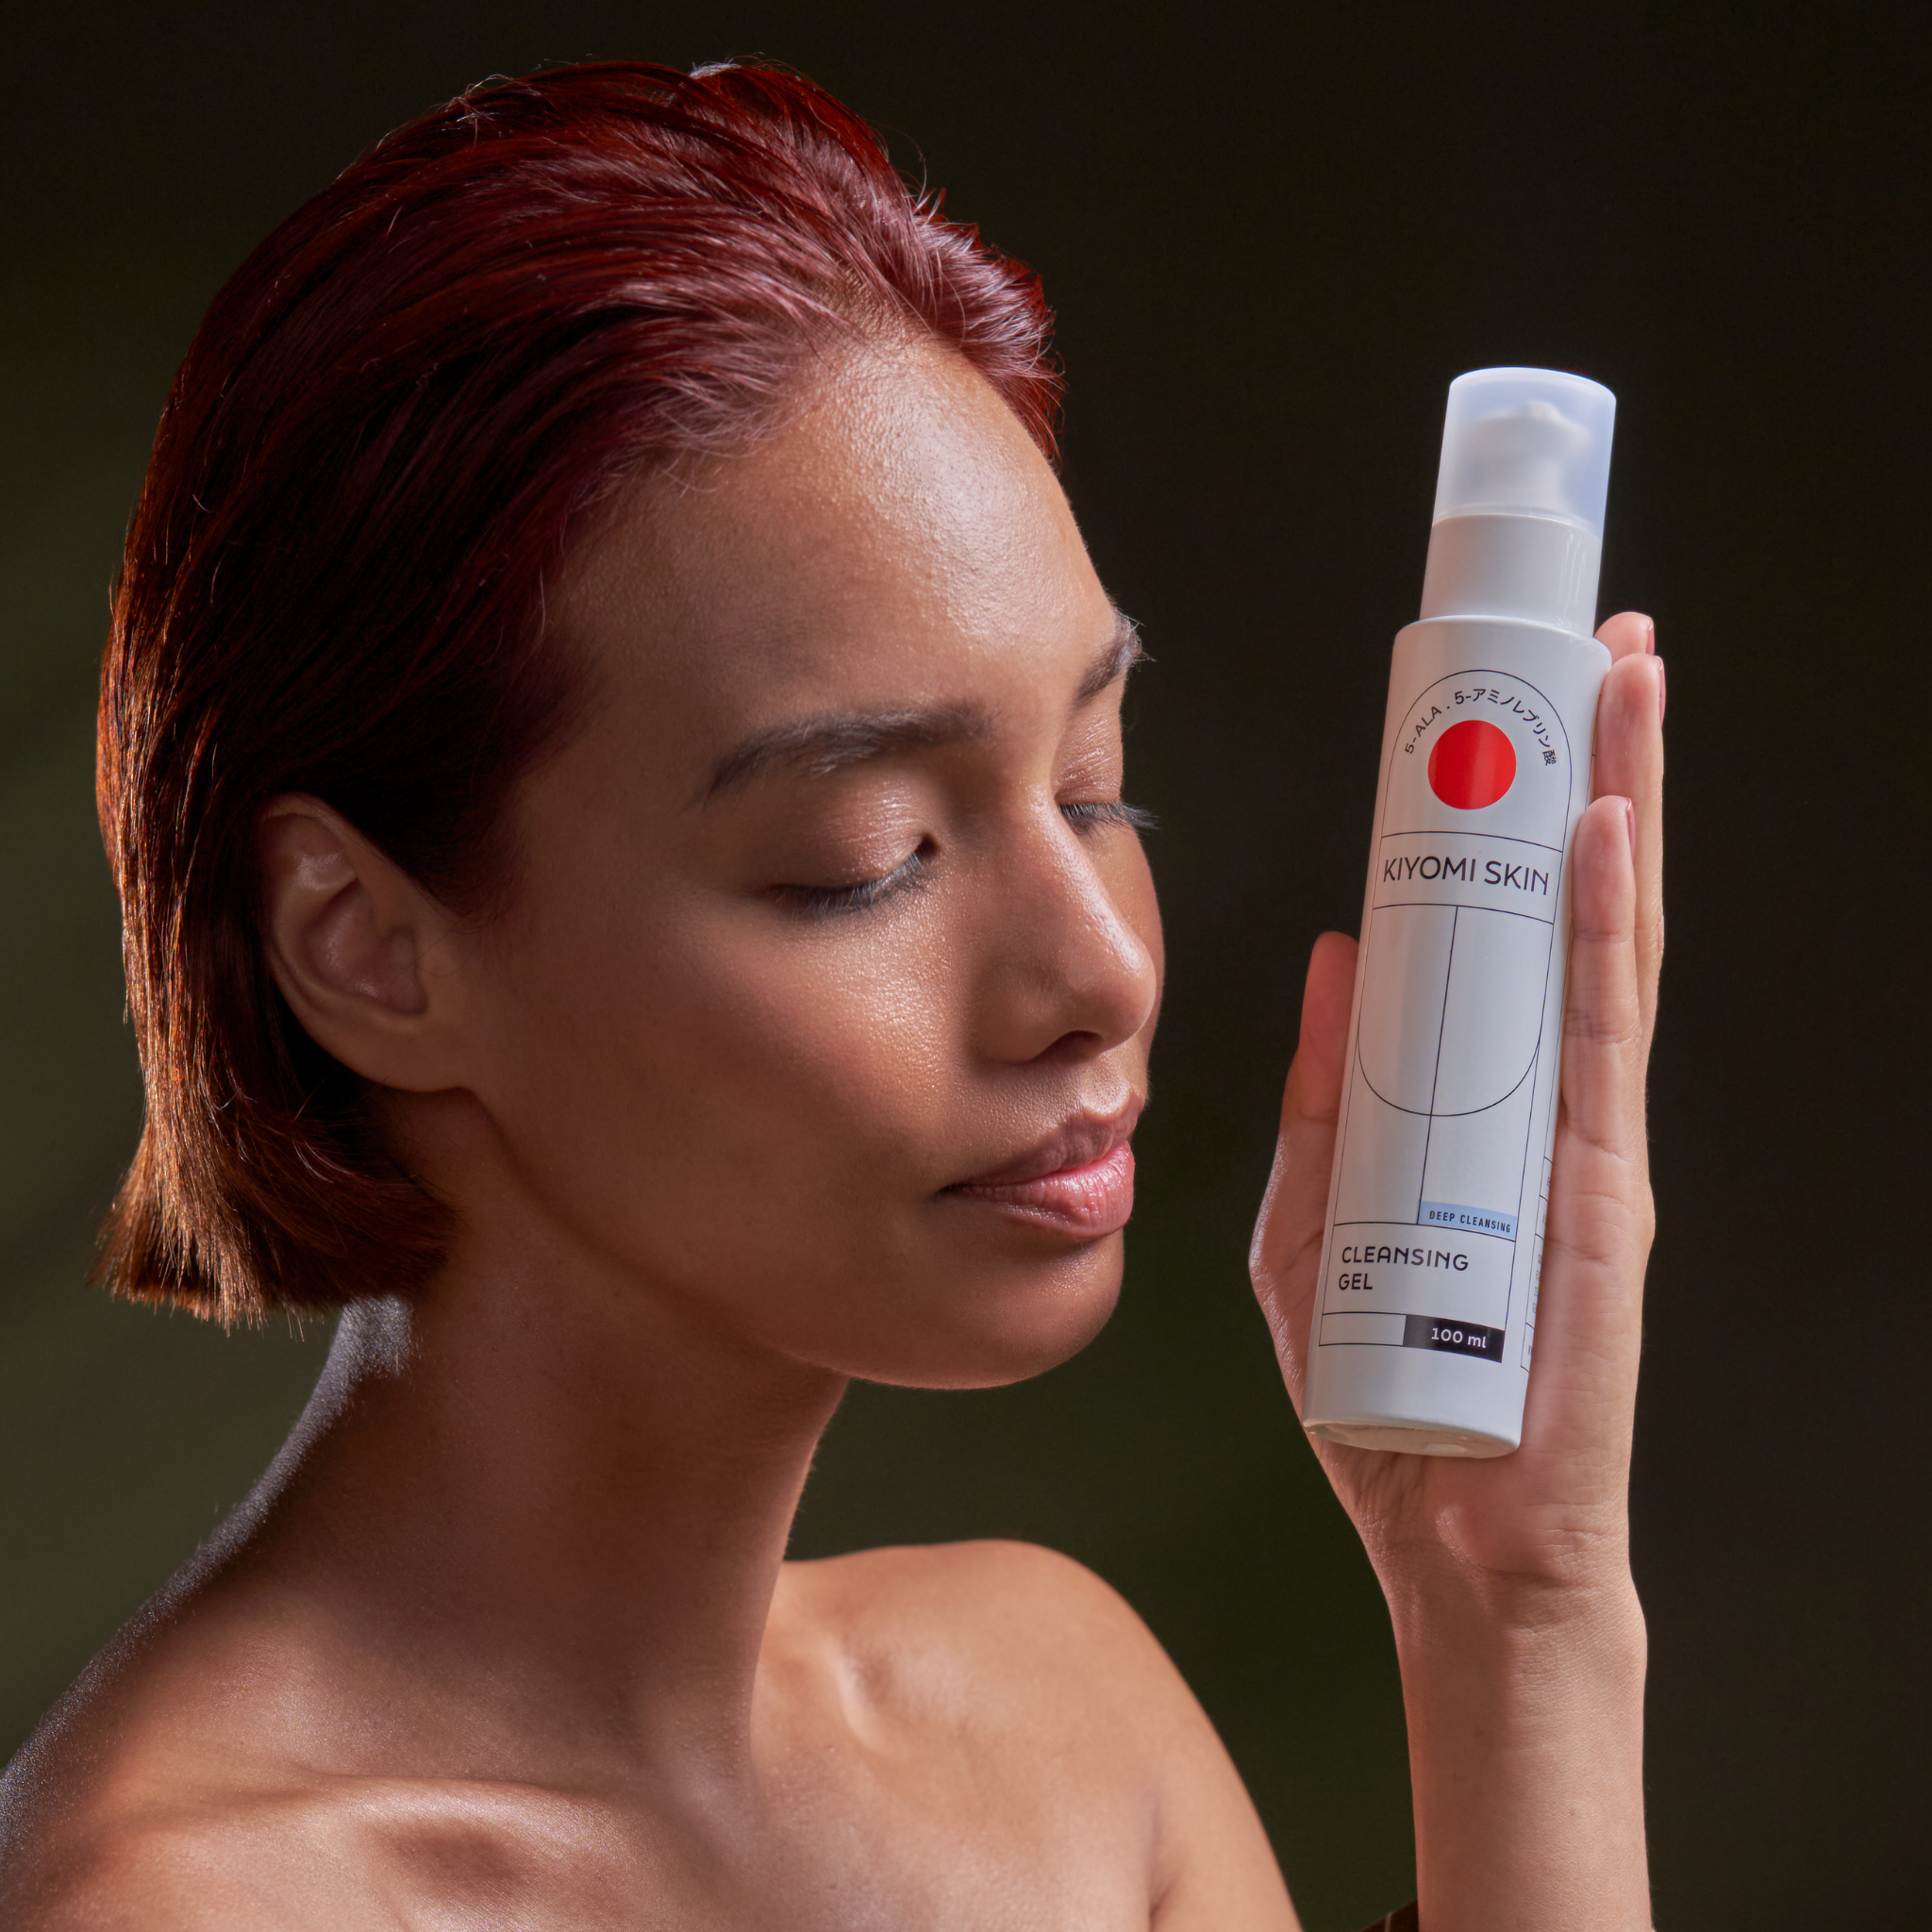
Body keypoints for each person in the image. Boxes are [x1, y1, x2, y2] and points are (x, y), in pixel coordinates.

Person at [0, 61, 1665, 1931]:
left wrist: (1514, 1616)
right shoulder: (186, 1903)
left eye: (1092, 783)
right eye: (867, 853)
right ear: (365, 942)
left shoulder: (1059, 1731)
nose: (1099, 967)